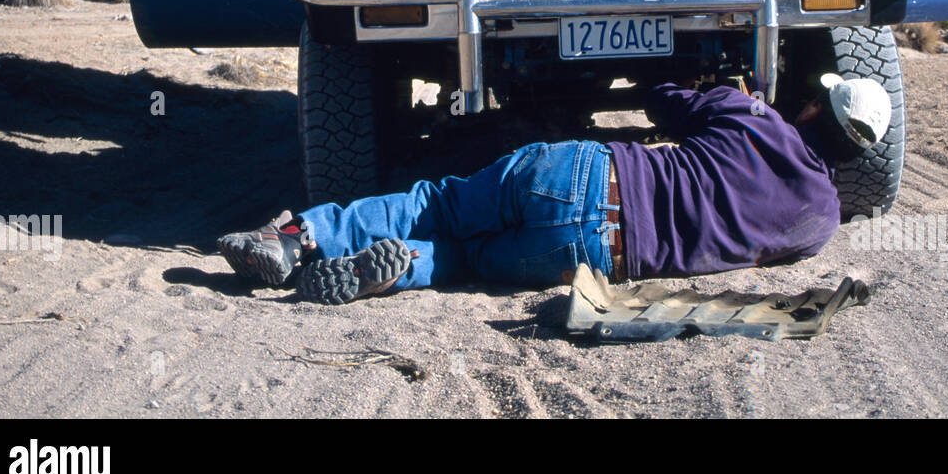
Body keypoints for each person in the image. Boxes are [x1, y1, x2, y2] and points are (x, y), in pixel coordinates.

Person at [217, 74, 892, 305]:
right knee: (466, 261)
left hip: (588, 176)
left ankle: (296, 237)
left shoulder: (756, 116)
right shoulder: (821, 224)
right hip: (598, 259)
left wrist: (720, 91)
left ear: (813, 111)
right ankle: (401, 272)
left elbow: (661, 99)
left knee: (438, 204)